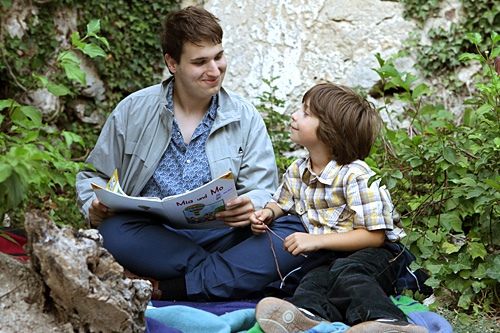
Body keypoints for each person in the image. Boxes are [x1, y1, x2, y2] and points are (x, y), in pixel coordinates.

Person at [75, 6, 306, 302]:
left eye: (218, 56)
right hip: (153, 238)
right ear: (172, 63)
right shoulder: (133, 110)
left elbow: (264, 189)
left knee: (292, 230)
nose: (214, 70)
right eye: (200, 62)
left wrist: (253, 205)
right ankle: (234, 277)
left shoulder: (245, 116)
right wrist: (91, 205)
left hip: (225, 236)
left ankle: (171, 286)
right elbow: (93, 175)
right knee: (112, 232)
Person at [250, 83, 428, 332]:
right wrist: (268, 213)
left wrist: (316, 241)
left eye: (306, 113)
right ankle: (307, 319)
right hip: (328, 257)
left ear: (330, 132)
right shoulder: (298, 170)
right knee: (313, 282)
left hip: (376, 255)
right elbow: (281, 202)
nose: (294, 115)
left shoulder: (355, 175)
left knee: (348, 273)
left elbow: (375, 236)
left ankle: (388, 322)